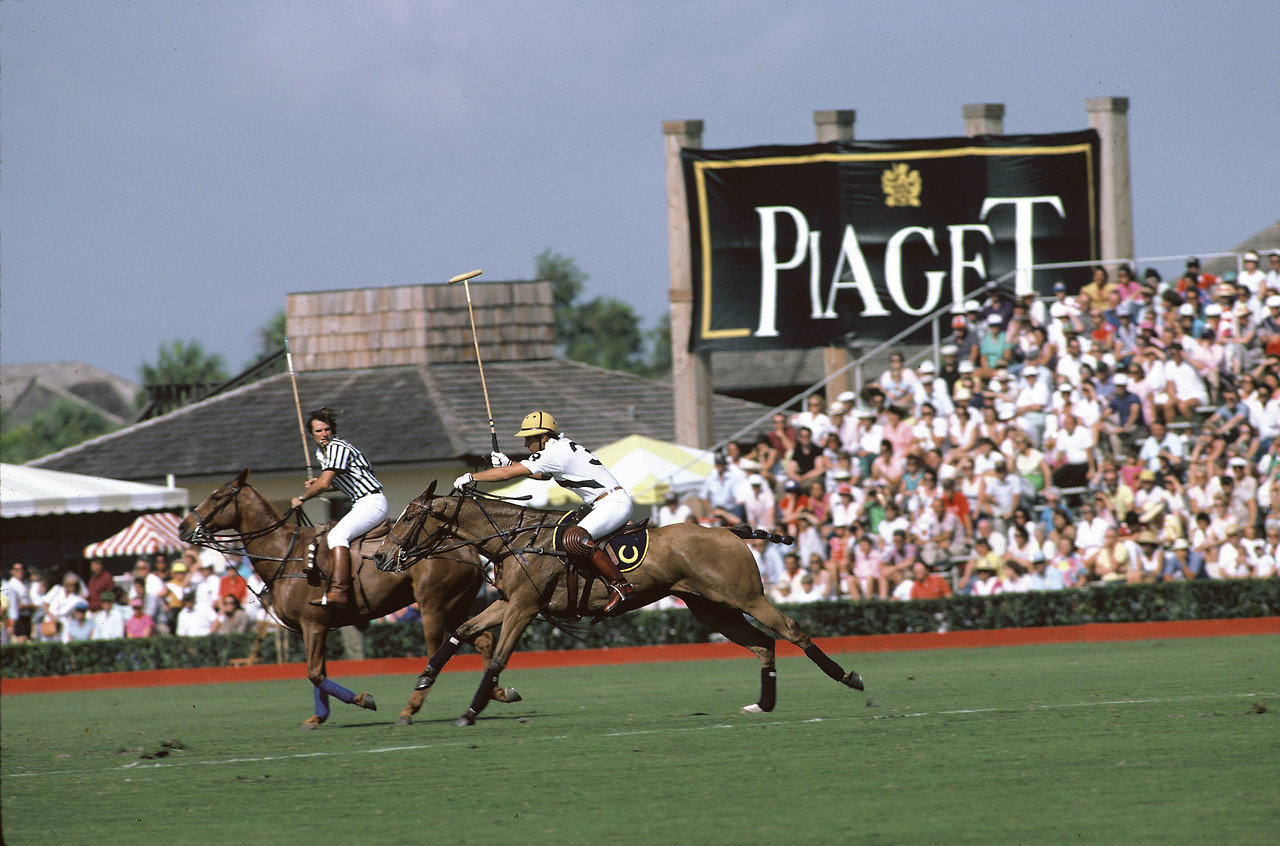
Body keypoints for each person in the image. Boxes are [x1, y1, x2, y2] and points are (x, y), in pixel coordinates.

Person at [458, 410, 636, 612]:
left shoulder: (554, 452)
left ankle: (620, 585)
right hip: (607, 503)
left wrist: (472, 477)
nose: (526, 444)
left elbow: (507, 475)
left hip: (613, 504)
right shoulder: (558, 447)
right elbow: (544, 476)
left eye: (529, 439)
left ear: (543, 437)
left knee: (574, 538)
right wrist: (509, 463)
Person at [292, 406, 389, 610]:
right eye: (318, 431)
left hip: (372, 502)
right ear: (311, 435)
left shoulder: (337, 447)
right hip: (361, 502)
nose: (323, 434)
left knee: (337, 536)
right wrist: (321, 484)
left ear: (332, 430)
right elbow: (343, 480)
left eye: (326, 429)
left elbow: (326, 483)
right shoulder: (323, 453)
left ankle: (339, 591)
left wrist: (303, 497)